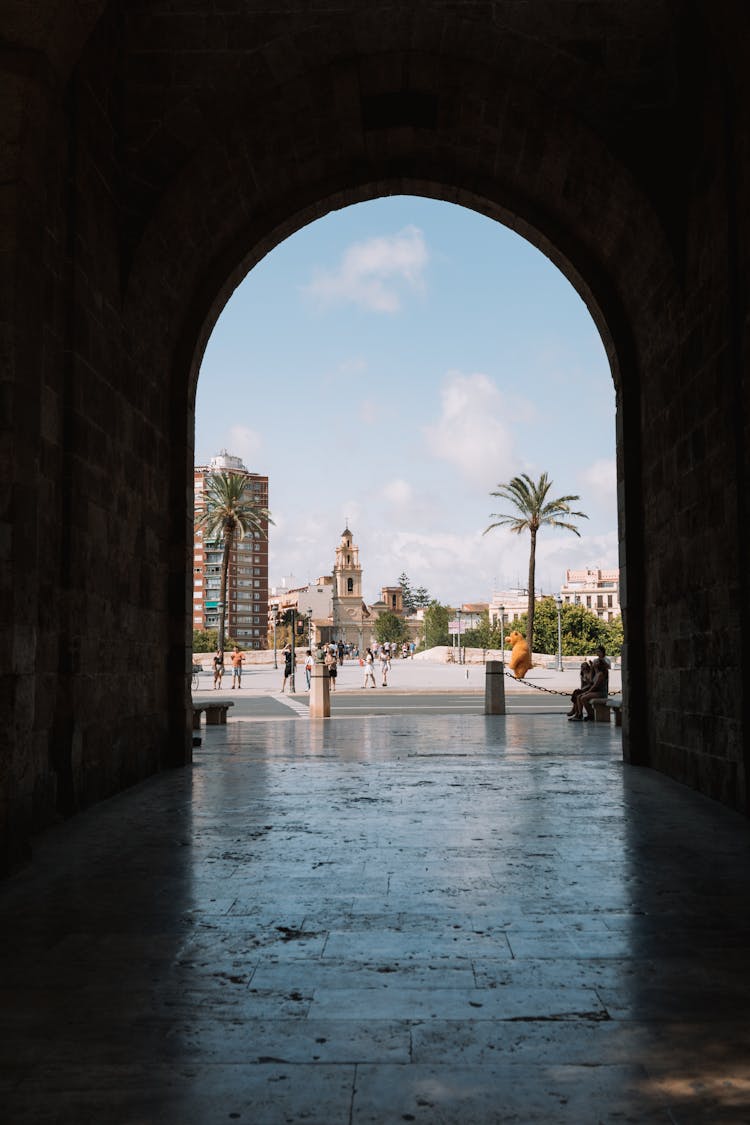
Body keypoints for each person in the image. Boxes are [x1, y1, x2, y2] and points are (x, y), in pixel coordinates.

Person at [570, 649, 609, 721]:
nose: (594, 662)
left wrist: (586, 692)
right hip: (595, 691)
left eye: (595, 662)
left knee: (583, 697)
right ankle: (579, 714)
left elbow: (595, 686)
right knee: (579, 696)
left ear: (598, 664)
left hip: (600, 693)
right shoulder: (595, 673)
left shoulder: (600, 674)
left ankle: (591, 714)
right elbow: (591, 681)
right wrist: (591, 669)